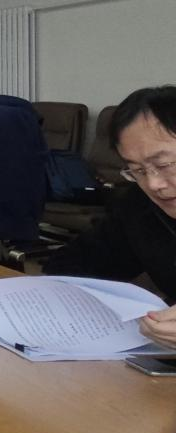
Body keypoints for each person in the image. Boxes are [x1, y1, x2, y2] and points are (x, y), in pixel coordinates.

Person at [42, 86, 176, 347]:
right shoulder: (139, 207)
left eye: (162, 165)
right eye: (137, 170)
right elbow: (70, 267)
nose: (153, 184)